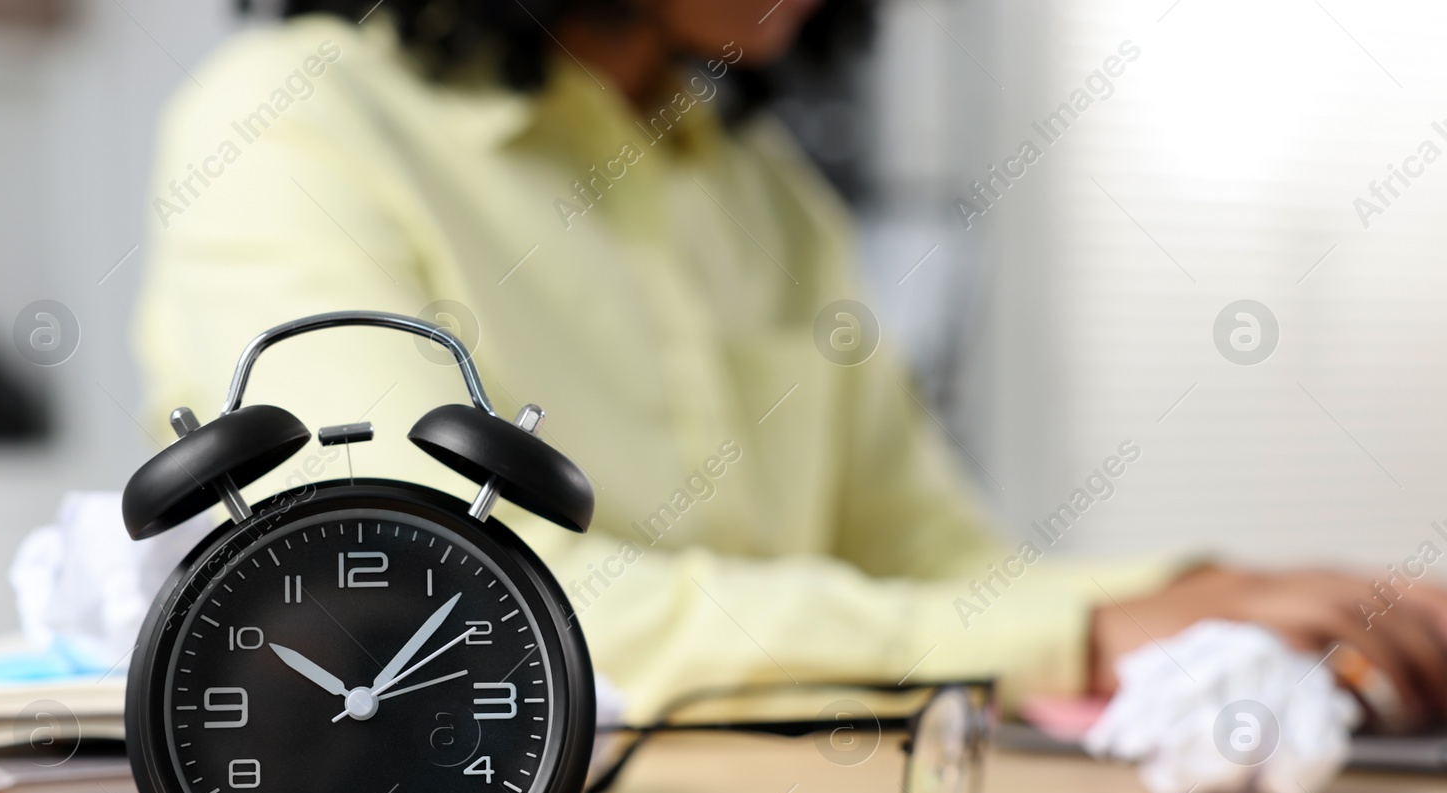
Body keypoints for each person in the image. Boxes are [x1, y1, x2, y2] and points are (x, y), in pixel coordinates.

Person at [133, 0, 1447, 722]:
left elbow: (934, 570)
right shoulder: (294, 125)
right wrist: (1080, 629)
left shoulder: (763, 191)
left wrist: (1217, 596)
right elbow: (447, 612)